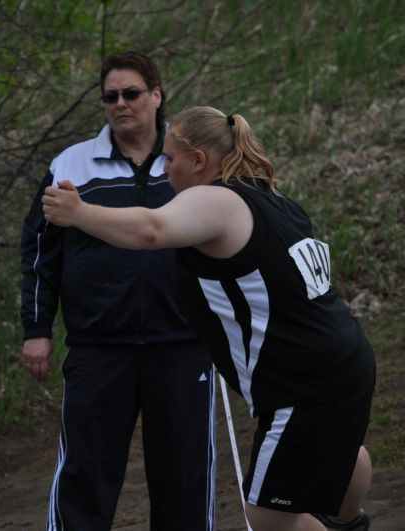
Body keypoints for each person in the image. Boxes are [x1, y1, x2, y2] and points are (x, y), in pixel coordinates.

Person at [41, 106, 376, 531]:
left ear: (198, 160)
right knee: (344, 455)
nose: (163, 169)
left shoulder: (216, 199)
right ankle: (351, 523)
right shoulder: (273, 197)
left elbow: (152, 231)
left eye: (170, 159)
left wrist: (79, 213)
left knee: (268, 512)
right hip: (348, 359)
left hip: (303, 380)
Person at [20, 53, 216, 531]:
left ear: (156, 95)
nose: (120, 104)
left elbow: (229, 235)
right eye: (110, 97)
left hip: (184, 343)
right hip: (99, 346)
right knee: (85, 476)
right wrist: (37, 328)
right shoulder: (71, 164)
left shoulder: (190, 161)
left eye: (131, 93)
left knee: (184, 477)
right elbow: (40, 249)